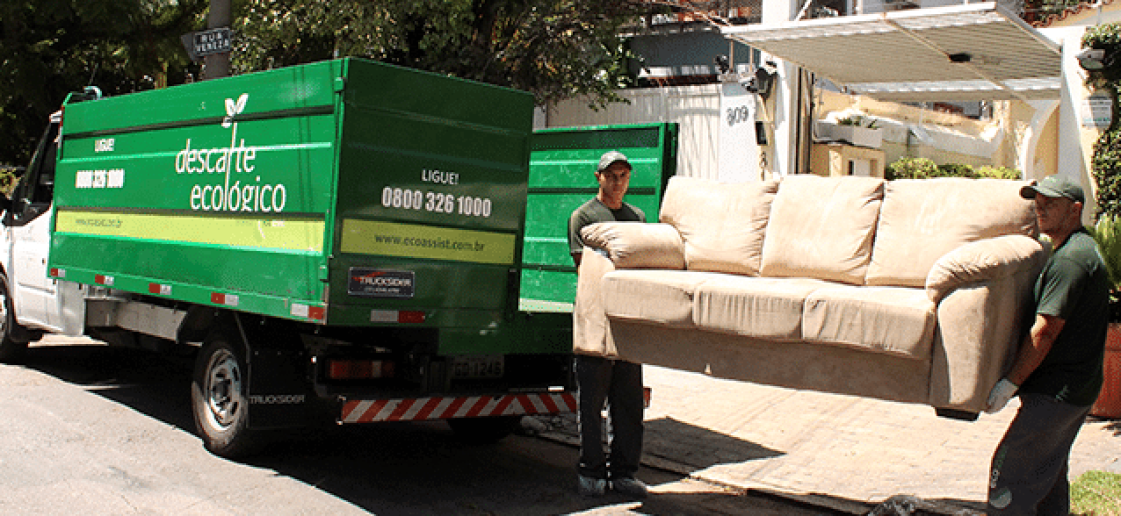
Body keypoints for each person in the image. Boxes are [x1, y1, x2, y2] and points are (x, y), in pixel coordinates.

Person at [985, 174, 1110, 515]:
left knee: (1009, 474)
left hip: (1056, 394)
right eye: (1037, 201)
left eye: (1050, 203)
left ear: (1075, 209)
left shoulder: (1070, 261)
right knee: (1047, 476)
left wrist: (1010, 383)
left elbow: (1045, 331)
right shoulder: (1078, 249)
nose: (1040, 208)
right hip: (1073, 390)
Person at [567, 151, 648, 499]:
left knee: (628, 403)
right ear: (598, 177)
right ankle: (591, 471)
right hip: (595, 318)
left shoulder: (637, 217)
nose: (618, 183)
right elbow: (584, 267)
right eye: (611, 176)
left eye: (624, 176)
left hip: (627, 322)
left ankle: (625, 473)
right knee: (591, 402)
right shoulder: (583, 216)